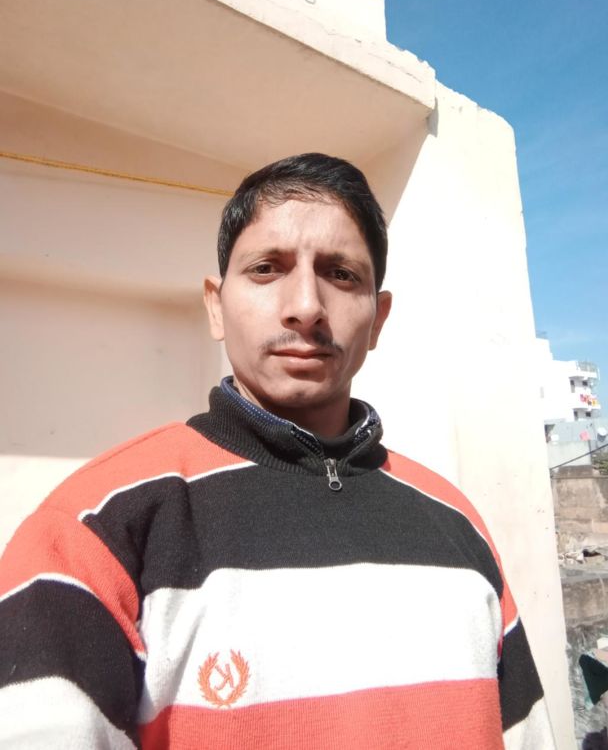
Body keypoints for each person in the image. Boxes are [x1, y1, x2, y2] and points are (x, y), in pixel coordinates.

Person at [0, 153, 554, 748]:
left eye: (341, 274)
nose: (307, 306)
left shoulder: (457, 522)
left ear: (378, 318)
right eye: (267, 269)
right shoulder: (96, 527)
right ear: (216, 305)